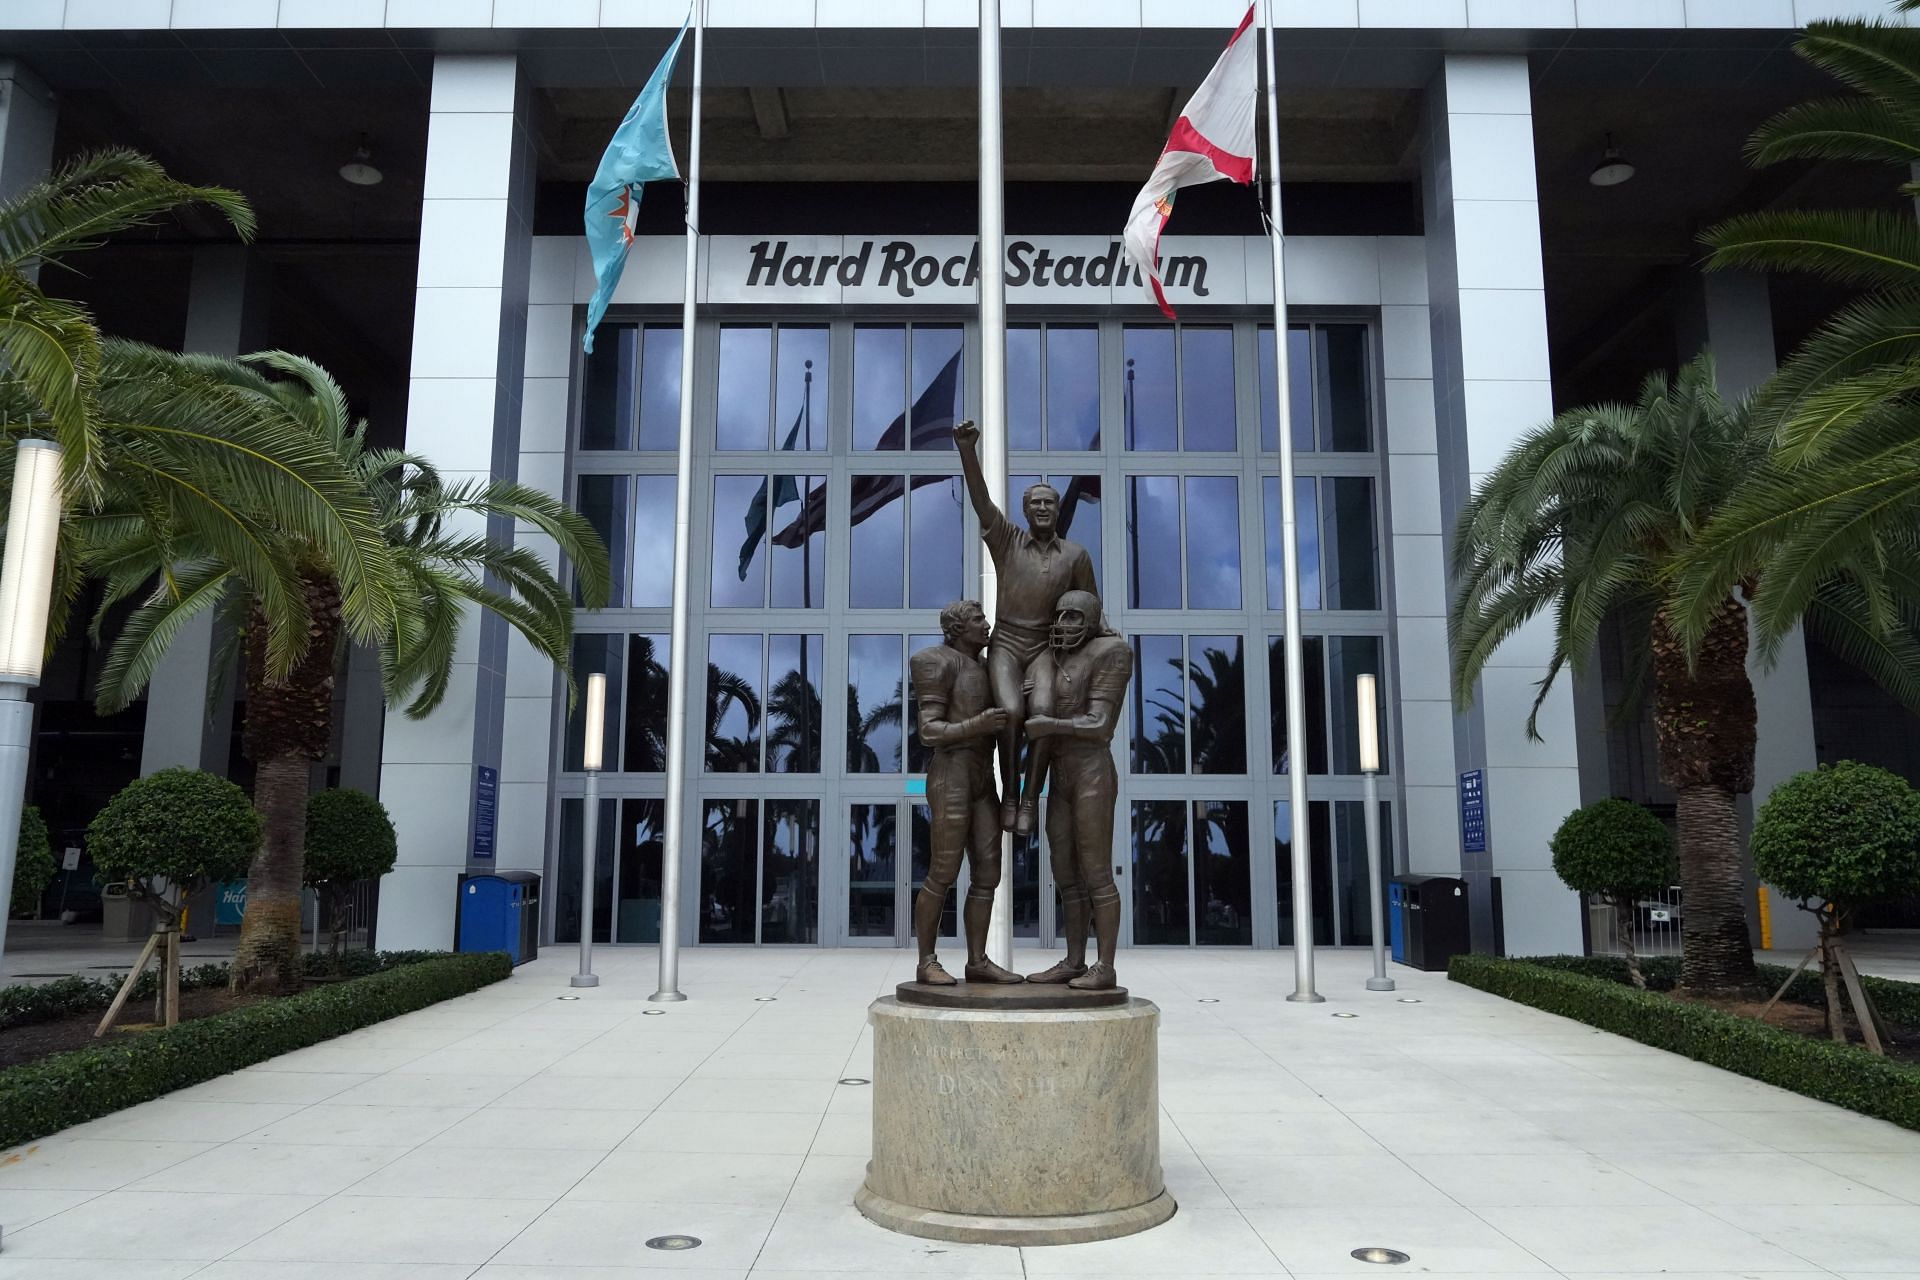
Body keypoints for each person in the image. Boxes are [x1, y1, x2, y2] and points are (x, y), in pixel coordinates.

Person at [952, 419, 1098, 836]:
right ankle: (1011, 794)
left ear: (1057, 509)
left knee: (1043, 713)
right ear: (1025, 510)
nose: (1042, 509)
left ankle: (1032, 797)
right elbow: (981, 501)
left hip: (1043, 650)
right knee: (1012, 711)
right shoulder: (1007, 540)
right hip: (1007, 644)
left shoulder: (1075, 555)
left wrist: (1104, 636)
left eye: (1049, 503)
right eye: (1035, 503)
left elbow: (1090, 606)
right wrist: (966, 450)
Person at [907, 600, 1024, 986]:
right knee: (942, 870)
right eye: (978, 620)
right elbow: (929, 731)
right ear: (957, 628)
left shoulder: (991, 667)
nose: (986, 625)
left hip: (981, 776)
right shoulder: (934, 661)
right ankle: (927, 961)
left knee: (988, 872)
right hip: (951, 772)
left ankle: (977, 960)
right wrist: (980, 722)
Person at [1023, 590, 1134, 991]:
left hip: (1092, 771)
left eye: (1073, 617)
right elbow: (1041, 733)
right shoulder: (1054, 659)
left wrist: (1049, 724)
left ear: (1090, 619)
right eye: (1061, 616)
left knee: (1096, 872)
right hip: (1061, 774)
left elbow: (1100, 724)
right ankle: (1074, 960)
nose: (1064, 624)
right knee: (1065, 873)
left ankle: (1105, 965)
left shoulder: (1112, 651)